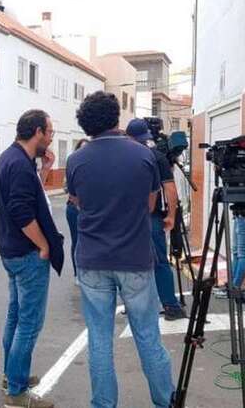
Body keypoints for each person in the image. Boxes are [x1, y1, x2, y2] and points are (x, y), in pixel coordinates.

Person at [66, 92, 173, 408]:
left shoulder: (75, 160)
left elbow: (78, 202)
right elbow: (150, 204)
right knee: (147, 335)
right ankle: (165, 401)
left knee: (99, 339)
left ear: (86, 125)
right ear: (116, 117)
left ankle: (103, 404)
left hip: (92, 259)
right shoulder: (143, 155)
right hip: (135, 258)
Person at [0, 109, 64, 408]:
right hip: (26, 253)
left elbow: (29, 196)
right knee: (29, 323)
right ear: (37, 131)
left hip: (11, 250)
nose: (50, 138)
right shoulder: (20, 165)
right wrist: (44, 246)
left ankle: (12, 376)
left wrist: (45, 170)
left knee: (15, 316)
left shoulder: (11, 158)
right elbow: (23, 212)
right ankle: (18, 392)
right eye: (49, 132)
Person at [126, 119, 188, 321]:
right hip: (152, 217)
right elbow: (170, 188)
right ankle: (171, 305)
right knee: (160, 261)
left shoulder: (124, 156)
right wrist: (171, 215)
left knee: (133, 262)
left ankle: (135, 305)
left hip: (129, 217)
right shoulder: (157, 156)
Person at [65, 138, 90, 280]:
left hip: (89, 207)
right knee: (76, 241)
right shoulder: (72, 165)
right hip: (74, 208)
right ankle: (77, 273)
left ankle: (87, 272)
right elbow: (66, 187)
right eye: (81, 148)